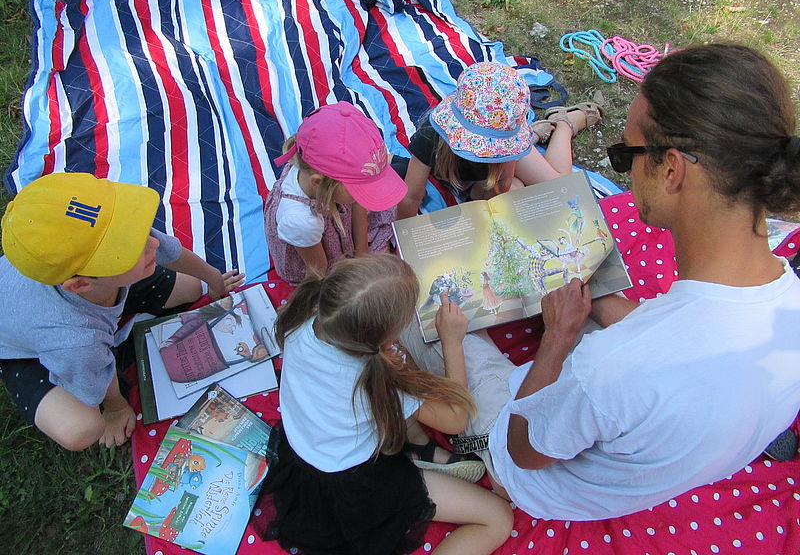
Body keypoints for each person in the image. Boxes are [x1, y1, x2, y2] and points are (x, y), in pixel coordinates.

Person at [409, 43, 800, 521]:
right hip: (653, 438)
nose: (626, 172)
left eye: (623, 155)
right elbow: (661, 334)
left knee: (417, 307)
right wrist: (597, 301)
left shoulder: (610, 369)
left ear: (671, 170)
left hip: (536, 474)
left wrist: (557, 339)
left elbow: (524, 449)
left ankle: (476, 451)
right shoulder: (788, 304)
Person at [256, 254, 512, 555]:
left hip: (305, 458)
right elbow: (456, 418)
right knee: (498, 519)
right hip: (356, 489)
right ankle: (416, 452)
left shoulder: (301, 318)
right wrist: (452, 342)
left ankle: (418, 447)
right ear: (382, 340)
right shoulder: (378, 380)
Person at [0, 173, 244, 451]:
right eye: (127, 251)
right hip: (23, 349)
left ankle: (119, 315)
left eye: (136, 232)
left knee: (191, 288)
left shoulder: (121, 244)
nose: (152, 243)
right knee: (80, 430)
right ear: (80, 283)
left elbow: (172, 253)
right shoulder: (74, 340)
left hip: (98, 291)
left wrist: (213, 280)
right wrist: (115, 407)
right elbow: (93, 378)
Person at [395, 61, 601, 219]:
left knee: (561, 188)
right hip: (478, 178)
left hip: (504, 153)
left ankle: (563, 124)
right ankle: (537, 133)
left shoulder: (506, 146)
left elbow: (502, 184)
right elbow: (411, 196)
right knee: (514, 194)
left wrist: (503, 177)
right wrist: (405, 245)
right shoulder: (431, 134)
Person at [264, 102, 408, 284]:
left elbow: (357, 203)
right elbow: (318, 276)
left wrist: (362, 258)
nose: (360, 196)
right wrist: (357, 274)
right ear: (318, 181)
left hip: (337, 226)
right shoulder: (301, 221)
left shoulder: (314, 167)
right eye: (358, 190)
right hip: (319, 266)